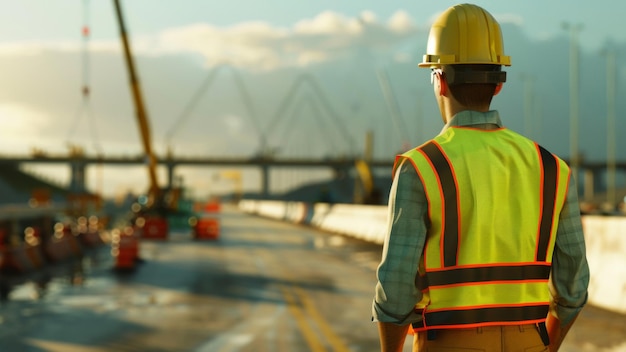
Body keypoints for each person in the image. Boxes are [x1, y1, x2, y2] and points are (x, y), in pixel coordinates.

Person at [372, 4, 589, 352]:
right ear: (498, 86)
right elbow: (574, 288)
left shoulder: (422, 167)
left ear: (439, 81)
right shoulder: (552, 169)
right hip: (529, 341)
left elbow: (395, 289)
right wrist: (546, 345)